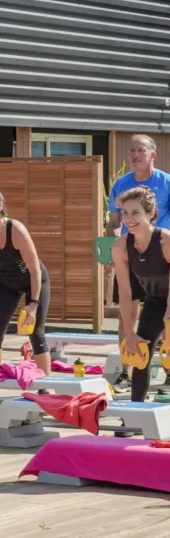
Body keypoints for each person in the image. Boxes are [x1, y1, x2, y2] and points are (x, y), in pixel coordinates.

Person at [0, 184, 51, 391]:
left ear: (0, 205)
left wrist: (33, 304)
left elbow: (35, 271)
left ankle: (45, 387)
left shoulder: (16, 230)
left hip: (35, 281)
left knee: (36, 332)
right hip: (7, 284)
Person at [106, 135, 170, 392]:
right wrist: (112, 244)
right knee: (133, 324)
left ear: (152, 154)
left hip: (163, 255)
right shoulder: (121, 185)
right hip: (137, 257)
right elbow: (113, 222)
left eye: (139, 150)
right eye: (130, 150)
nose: (134, 154)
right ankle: (127, 379)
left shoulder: (166, 182)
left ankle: (168, 372)